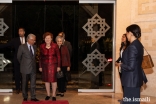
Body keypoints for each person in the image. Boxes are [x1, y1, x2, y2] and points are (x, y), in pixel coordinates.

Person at [116, 24, 147, 104]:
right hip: (134, 80)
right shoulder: (139, 44)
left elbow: (131, 67)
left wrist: (121, 65)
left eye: (127, 33)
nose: (126, 35)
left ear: (130, 33)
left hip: (131, 81)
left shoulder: (132, 46)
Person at [0, 27, 26, 94]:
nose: (20, 32)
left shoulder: (28, 40)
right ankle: (18, 88)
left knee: (24, 74)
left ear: (24, 32)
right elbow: (6, 45)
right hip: (17, 60)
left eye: (21, 31)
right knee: (17, 74)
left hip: (25, 61)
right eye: (19, 31)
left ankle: (24, 88)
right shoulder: (15, 40)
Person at [39, 32, 61, 101]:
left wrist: (58, 66)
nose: (47, 39)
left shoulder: (55, 46)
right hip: (45, 65)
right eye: (46, 38)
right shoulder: (42, 46)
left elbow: (58, 56)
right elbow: (40, 57)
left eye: (49, 38)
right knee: (46, 81)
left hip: (54, 65)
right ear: (44, 39)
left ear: (51, 38)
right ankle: (48, 94)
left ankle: (54, 94)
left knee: (54, 81)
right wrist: (40, 66)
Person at [17, 34, 39, 101]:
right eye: (33, 40)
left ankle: (33, 97)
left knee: (33, 84)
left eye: (34, 40)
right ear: (28, 39)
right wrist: (23, 64)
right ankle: (25, 96)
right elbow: (18, 57)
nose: (34, 41)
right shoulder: (22, 47)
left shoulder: (34, 47)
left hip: (33, 68)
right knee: (24, 83)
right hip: (25, 68)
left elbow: (34, 58)